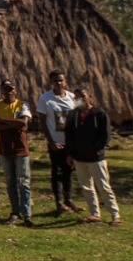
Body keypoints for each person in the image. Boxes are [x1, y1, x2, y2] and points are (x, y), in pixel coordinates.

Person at [65, 88, 121, 226]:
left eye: (82, 96)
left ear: (89, 97)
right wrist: (70, 153)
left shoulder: (99, 114)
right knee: (86, 187)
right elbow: (69, 135)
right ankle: (94, 213)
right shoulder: (73, 115)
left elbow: (105, 136)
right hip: (79, 157)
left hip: (96, 157)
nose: (80, 99)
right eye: (76, 97)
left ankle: (115, 215)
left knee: (103, 186)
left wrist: (95, 149)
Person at [0, 81, 34, 227]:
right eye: (6, 89)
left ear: (16, 90)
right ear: (1, 90)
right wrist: (14, 123)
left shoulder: (23, 105)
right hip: (5, 148)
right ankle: (15, 212)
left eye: (11, 89)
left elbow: (23, 123)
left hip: (21, 148)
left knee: (24, 182)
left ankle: (27, 214)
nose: (8, 91)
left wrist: (3, 121)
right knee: (10, 182)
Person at [38, 71, 81, 215]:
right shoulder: (45, 99)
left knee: (68, 171)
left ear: (65, 81)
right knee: (56, 172)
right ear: (51, 82)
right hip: (56, 142)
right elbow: (43, 122)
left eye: (61, 80)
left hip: (70, 142)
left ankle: (69, 199)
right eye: (55, 81)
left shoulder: (72, 97)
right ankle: (59, 202)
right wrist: (51, 142)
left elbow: (79, 116)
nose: (58, 83)